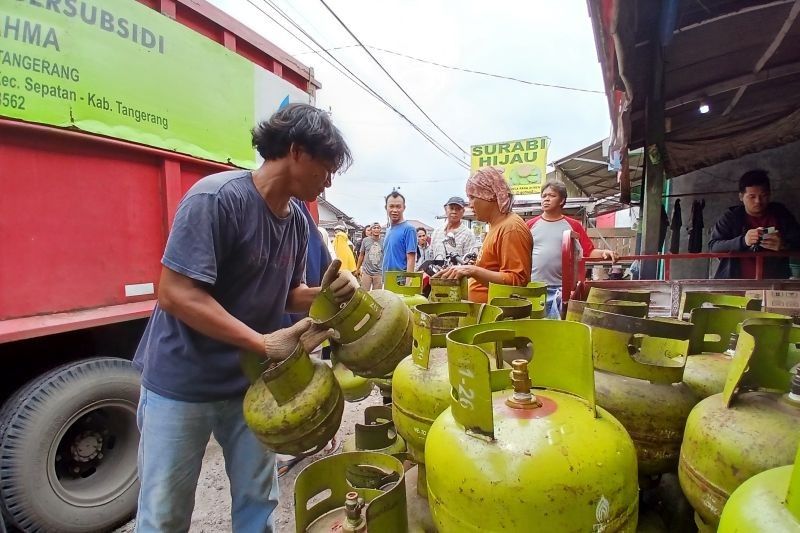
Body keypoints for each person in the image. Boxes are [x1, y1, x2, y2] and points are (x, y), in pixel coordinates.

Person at [132, 103, 358, 533]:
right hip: (182, 384)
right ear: (296, 151)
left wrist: (324, 295)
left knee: (258, 504)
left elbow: (287, 293)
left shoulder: (295, 221)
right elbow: (176, 293)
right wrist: (262, 344)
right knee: (164, 514)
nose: (329, 179)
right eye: (327, 166)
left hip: (250, 387)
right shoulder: (216, 199)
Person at [433, 167, 532, 303]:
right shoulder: (495, 225)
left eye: (473, 197)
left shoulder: (511, 228)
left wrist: (472, 270)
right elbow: (494, 268)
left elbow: (517, 282)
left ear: (489, 196)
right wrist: (475, 267)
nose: (470, 205)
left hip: (496, 316)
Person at [527, 181, 617, 319]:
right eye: (543, 195)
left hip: (562, 290)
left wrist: (604, 253)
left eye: (551, 195)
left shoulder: (573, 225)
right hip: (534, 288)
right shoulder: (529, 225)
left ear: (562, 200)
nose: (546, 199)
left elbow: (588, 252)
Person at [709, 169, 800, 279]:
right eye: (752, 196)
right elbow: (714, 246)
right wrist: (743, 241)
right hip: (736, 284)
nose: (758, 201)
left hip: (774, 283)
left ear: (770, 194)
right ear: (741, 197)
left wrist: (784, 245)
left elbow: (797, 240)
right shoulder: (732, 217)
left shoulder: (780, 213)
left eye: (764, 195)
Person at [430, 196, 477, 261]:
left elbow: (470, 261)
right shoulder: (436, 232)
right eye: (451, 208)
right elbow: (431, 255)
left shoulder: (468, 234)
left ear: (463, 212)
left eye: (458, 209)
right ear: (446, 209)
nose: (454, 212)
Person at [382, 191, 417, 273]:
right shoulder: (388, 230)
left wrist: (408, 283)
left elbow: (411, 258)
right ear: (386, 207)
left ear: (404, 207)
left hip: (400, 281)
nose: (394, 210)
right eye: (391, 206)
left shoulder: (409, 229)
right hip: (386, 280)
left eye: (398, 207)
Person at [356, 222, 384, 290]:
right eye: (374, 228)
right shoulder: (365, 240)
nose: (376, 229)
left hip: (379, 272)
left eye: (378, 228)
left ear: (380, 230)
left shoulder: (384, 241)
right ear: (371, 230)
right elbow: (361, 255)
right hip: (367, 272)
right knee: (365, 293)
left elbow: (386, 256)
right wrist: (357, 269)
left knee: (377, 294)